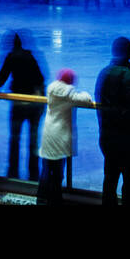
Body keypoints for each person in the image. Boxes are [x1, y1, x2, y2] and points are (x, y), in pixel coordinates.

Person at [0, 31, 47, 181]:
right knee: (33, 140)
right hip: (35, 105)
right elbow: (41, 79)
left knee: (15, 139)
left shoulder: (12, 57)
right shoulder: (30, 56)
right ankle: (33, 173)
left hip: (19, 105)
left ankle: (13, 172)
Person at [94, 37, 130, 206]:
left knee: (110, 180)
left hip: (108, 139)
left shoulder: (103, 73)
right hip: (129, 143)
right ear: (129, 52)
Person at [37, 69, 92, 205]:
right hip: (60, 137)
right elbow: (87, 100)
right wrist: (82, 92)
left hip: (48, 134)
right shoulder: (69, 94)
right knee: (57, 174)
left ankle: (41, 199)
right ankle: (55, 201)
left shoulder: (51, 89)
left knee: (45, 171)